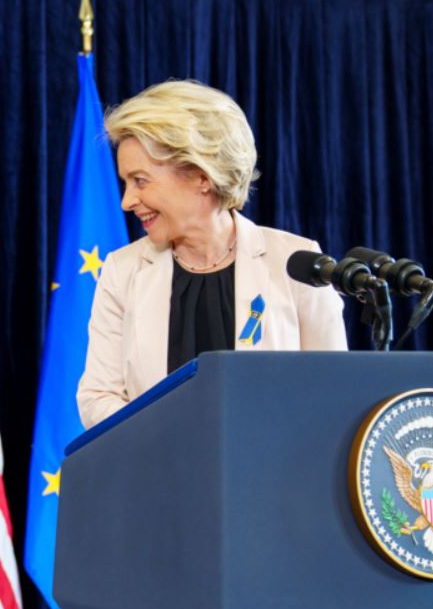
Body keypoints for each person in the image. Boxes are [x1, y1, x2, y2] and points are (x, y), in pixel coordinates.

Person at [76, 80, 348, 428]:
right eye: (125, 183)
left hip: (272, 477)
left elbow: (332, 392)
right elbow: (98, 396)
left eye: (140, 181)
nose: (127, 201)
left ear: (201, 176)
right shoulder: (122, 271)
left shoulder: (297, 261)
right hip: (161, 474)